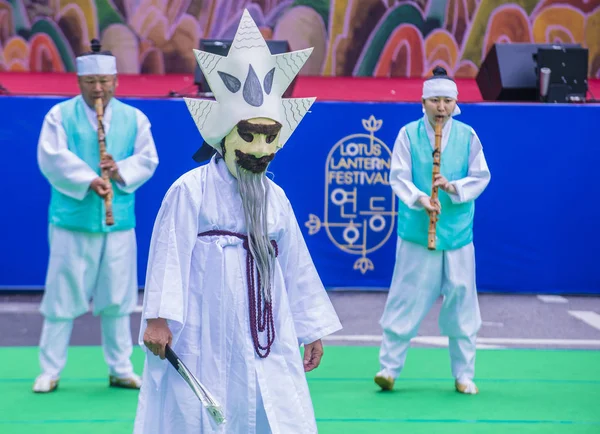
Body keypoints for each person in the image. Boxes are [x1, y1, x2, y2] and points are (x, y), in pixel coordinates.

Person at [133, 9, 342, 434]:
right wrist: (158, 318)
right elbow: (169, 254)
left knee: (271, 402)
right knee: (198, 409)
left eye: (271, 136)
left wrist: (310, 328)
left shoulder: (275, 197)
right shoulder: (190, 190)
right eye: (249, 135)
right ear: (225, 133)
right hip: (203, 321)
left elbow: (296, 265)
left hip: (266, 320)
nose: (261, 148)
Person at [33, 39, 159, 393]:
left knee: (118, 298)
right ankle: (50, 369)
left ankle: (120, 368)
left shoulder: (135, 118)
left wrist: (119, 171)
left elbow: (148, 160)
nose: (99, 88)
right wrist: (89, 179)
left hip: (118, 220)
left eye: (105, 81)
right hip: (71, 219)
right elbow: (51, 157)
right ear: (79, 82)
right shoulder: (59, 115)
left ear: (116, 81)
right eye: (91, 82)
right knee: (61, 296)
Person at [374, 66, 491, 395]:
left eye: (447, 101)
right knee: (405, 297)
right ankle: (388, 369)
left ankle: (464, 374)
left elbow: (481, 176)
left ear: (456, 103)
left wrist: (453, 187)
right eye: (435, 100)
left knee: (462, 302)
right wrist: (420, 197)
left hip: (456, 234)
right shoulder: (408, 134)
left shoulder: (467, 136)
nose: (441, 107)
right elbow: (398, 176)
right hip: (416, 230)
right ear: (423, 101)